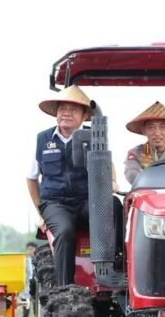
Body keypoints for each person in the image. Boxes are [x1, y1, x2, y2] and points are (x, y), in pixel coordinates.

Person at [26, 85, 122, 287]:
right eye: (62, 109)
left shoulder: (94, 136)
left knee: (114, 205)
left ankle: (117, 266)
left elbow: (106, 162)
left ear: (84, 115)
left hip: (87, 201)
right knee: (65, 232)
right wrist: (40, 211)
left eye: (73, 109)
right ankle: (64, 289)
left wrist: (112, 181)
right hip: (56, 204)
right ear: (56, 113)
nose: (66, 113)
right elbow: (31, 178)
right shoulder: (43, 140)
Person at [21, 241, 37, 317]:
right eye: (29, 249)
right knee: (25, 312)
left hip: (35, 290)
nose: (30, 251)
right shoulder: (23, 262)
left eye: (32, 249)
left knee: (36, 312)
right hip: (26, 290)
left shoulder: (39, 261)